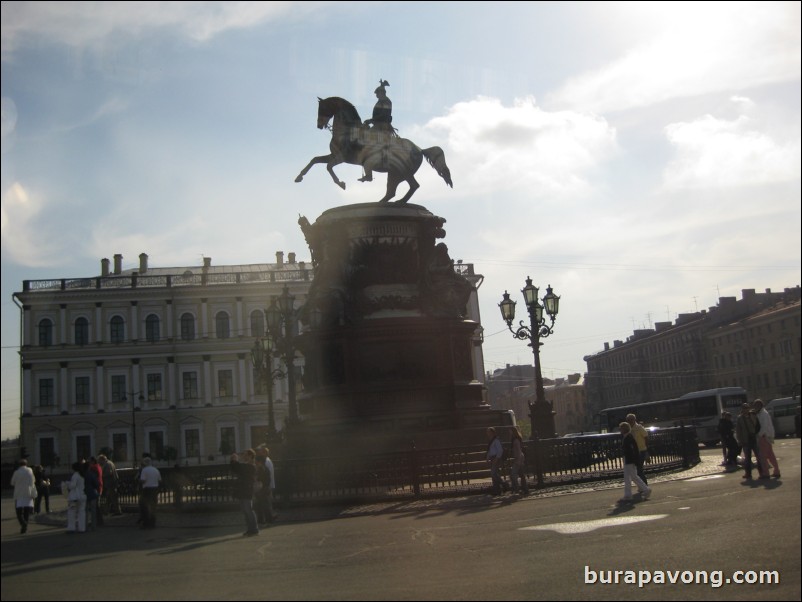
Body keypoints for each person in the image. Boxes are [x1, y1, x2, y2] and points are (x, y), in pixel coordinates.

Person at [359, 79, 395, 183]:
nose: (376, 95)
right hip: (377, 125)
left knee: (367, 137)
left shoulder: (387, 101)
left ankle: (379, 157)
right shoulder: (380, 102)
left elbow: (384, 115)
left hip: (383, 126)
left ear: (381, 92)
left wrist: (371, 120)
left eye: (377, 93)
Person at [619, 421, 651, 503]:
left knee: (633, 476)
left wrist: (633, 459)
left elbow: (632, 450)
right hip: (629, 459)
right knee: (628, 477)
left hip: (629, 459)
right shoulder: (628, 437)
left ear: (624, 429)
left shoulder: (628, 438)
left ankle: (645, 489)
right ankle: (628, 494)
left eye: (621, 428)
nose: (620, 430)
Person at [230, 450, 259, 537]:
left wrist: (234, 460)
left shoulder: (251, 466)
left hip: (247, 491)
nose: (244, 456)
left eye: (246, 455)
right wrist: (234, 461)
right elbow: (237, 468)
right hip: (243, 491)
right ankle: (250, 529)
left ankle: (254, 529)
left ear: (250, 456)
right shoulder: (247, 466)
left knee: (248, 510)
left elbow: (238, 467)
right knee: (245, 511)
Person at [754, 399, 781, 479]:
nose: (755, 408)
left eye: (755, 406)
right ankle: (776, 471)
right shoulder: (764, 413)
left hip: (764, 436)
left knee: (763, 456)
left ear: (759, 406)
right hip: (768, 436)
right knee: (770, 455)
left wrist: (759, 435)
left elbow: (764, 426)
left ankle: (766, 473)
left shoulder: (762, 414)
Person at [11, 459, 37, 534]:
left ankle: (23, 524)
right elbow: (33, 480)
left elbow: (12, 482)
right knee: (26, 511)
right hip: (28, 493)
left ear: (19, 465)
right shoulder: (30, 471)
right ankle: (24, 527)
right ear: (26, 464)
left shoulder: (17, 472)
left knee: (19, 512)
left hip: (19, 494)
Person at [735, 402, 759, 480]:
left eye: (747, 408)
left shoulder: (752, 416)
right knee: (747, 458)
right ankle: (748, 473)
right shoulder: (740, 418)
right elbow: (738, 430)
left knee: (758, 456)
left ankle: (762, 472)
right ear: (742, 409)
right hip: (745, 440)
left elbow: (757, 425)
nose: (746, 409)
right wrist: (739, 440)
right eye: (744, 408)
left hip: (753, 438)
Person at [255, 446, 278, 525]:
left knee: (265, 503)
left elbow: (267, 475)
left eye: (260, 451)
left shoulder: (266, 462)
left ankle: (269, 518)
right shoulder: (267, 461)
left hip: (266, 486)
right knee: (266, 503)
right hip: (268, 485)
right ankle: (269, 518)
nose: (258, 453)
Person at [138, 456, 162, 529]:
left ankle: (146, 523)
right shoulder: (156, 469)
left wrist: (139, 481)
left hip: (147, 489)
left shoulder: (144, 470)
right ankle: (153, 522)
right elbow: (160, 480)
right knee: (153, 506)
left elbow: (143, 480)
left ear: (145, 463)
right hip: (155, 488)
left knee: (144, 506)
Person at [626, 413, 649, 485]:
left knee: (639, 469)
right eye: (629, 420)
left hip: (641, 450)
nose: (630, 421)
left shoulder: (639, 427)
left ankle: (644, 485)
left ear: (634, 419)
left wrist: (646, 449)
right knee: (637, 470)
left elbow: (646, 437)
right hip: (634, 452)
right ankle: (642, 486)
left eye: (632, 419)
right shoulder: (628, 429)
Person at [66, 462, 87, 533]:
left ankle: (71, 528)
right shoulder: (83, 475)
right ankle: (82, 528)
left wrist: (67, 484)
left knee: (72, 512)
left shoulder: (75, 475)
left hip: (74, 497)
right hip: (82, 496)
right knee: (82, 512)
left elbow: (72, 486)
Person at [509, 426, 529, 495]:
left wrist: (517, 459)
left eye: (510, 431)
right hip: (520, 458)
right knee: (521, 475)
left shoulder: (515, 440)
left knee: (513, 474)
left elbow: (518, 451)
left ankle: (517, 489)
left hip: (518, 459)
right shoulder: (516, 439)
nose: (509, 432)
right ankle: (525, 489)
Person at [486, 427, 505, 496]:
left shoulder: (496, 440)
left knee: (493, 473)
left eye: (488, 432)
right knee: (495, 474)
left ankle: (504, 483)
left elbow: (500, 450)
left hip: (496, 458)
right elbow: (489, 450)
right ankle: (497, 490)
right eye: (487, 432)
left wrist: (497, 458)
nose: (487, 433)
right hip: (492, 458)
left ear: (492, 432)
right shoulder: (491, 440)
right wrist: (488, 458)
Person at [84, 458, 101, 531]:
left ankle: (85, 526)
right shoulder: (91, 474)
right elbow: (96, 484)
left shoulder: (82, 474)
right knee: (93, 511)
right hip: (92, 493)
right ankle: (93, 526)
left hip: (84, 494)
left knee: (85, 511)